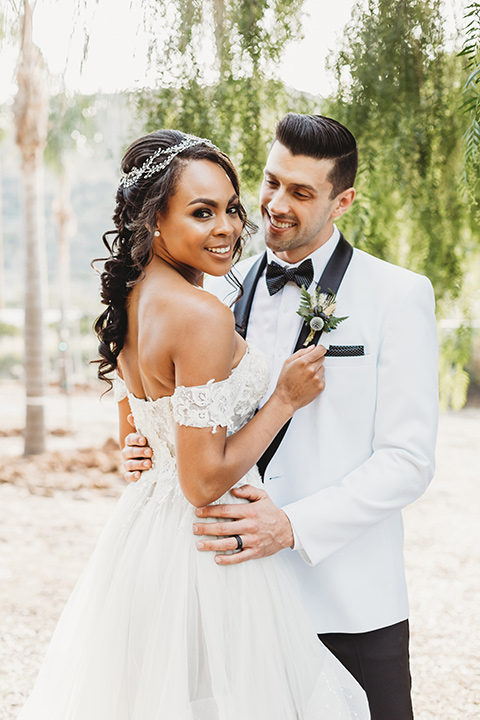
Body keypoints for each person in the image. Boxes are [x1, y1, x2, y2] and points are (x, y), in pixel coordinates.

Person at [18, 130, 369, 719]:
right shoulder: (200, 314)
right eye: (201, 212)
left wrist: (140, 446)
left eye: (232, 208)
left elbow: (139, 416)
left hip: (142, 541)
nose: (228, 227)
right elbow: (202, 483)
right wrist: (282, 398)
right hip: (205, 545)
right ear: (153, 219)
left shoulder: (131, 298)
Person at [123, 114, 439, 720]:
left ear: (342, 200)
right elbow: (183, 409)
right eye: (270, 183)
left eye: (301, 192)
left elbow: (408, 462)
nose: (274, 205)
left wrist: (290, 526)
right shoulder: (213, 288)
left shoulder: (398, 295)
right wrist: (144, 443)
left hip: (347, 602)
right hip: (231, 602)